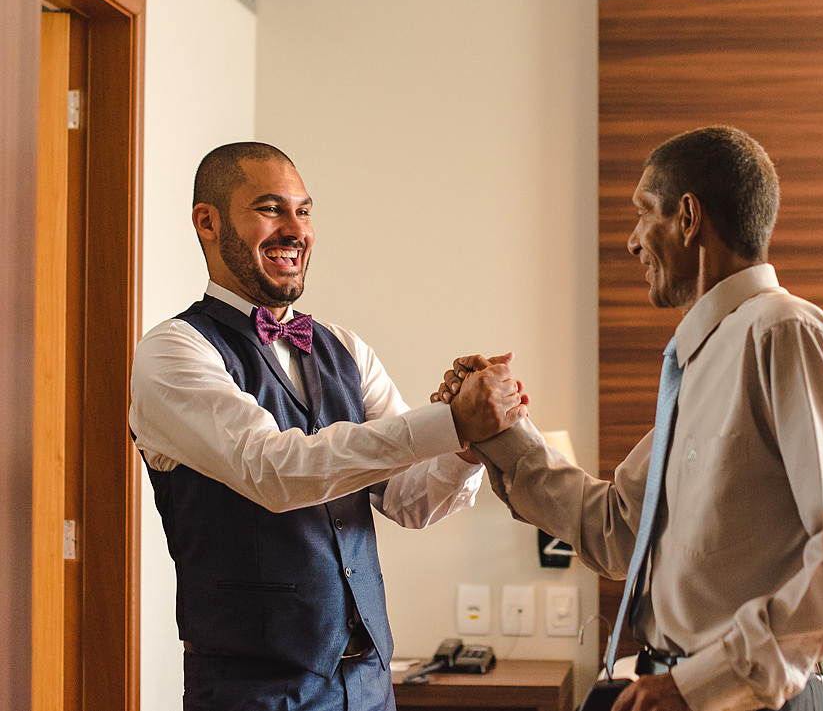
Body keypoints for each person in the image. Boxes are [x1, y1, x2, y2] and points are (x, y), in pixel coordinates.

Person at [438, 127, 823, 711]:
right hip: (667, 688)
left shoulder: (782, 333)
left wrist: (699, 686)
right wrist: (498, 431)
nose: (632, 242)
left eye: (643, 213)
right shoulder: (701, 360)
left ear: (687, 217)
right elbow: (618, 529)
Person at [129, 142, 527, 711]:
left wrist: (464, 444)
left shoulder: (345, 348)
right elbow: (274, 471)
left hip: (368, 687)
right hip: (252, 693)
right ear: (208, 222)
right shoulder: (173, 351)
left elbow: (410, 499)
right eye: (271, 209)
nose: (296, 229)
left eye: (305, 211)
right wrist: (447, 421)